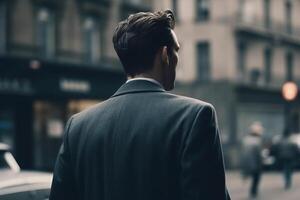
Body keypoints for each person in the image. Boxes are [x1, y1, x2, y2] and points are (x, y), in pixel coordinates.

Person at [50, 10, 230, 200]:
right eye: (176, 50)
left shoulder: (77, 126)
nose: (177, 58)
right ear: (164, 55)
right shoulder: (195, 117)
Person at [240, 122, 264, 198]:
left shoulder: (245, 139)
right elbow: (258, 154)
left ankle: (252, 190)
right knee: (257, 177)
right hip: (255, 163)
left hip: (246, 162)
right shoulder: (257, 141)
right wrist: (261, 162)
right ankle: (253, 191)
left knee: (254, 176)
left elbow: (243, 152)